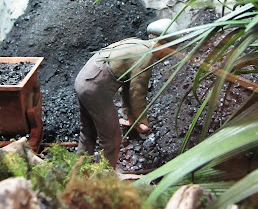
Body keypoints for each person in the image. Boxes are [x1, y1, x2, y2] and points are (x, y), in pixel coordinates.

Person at [74, 19, 179, 168]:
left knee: (87, 133)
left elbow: (126, 85)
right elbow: (137, 92)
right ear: (164, 45)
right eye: (171, 49)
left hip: (83, 80)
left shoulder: (136, 44)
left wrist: (129, 115)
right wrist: (141, 120)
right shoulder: (146, 56)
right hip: (95, 89)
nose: (168, 55)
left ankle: (77, 173)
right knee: (111, 139)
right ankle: (103, 180)